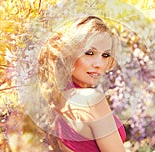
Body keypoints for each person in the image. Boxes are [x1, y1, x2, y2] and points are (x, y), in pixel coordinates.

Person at [38, 16, 126, 152]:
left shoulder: (57, 100)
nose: (99, 64)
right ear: (69, 54)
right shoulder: (92, 99)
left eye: (105, 55)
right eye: (89, 53)